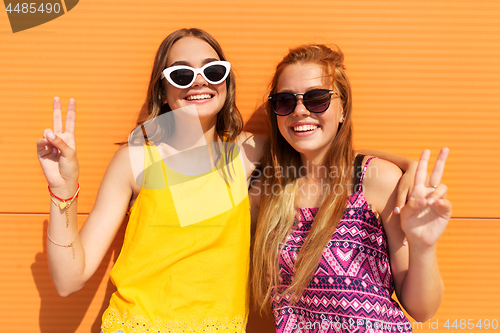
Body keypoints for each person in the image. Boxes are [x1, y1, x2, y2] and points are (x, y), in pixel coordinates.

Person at [37, 28, 417, 333]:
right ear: (163, 90)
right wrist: (63, 189)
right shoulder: (137, 158)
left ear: (225, 80)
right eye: (182, 73)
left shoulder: (252, 155)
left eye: (212, 70)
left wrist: (407, 167)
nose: (199, 81)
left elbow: (321, 139)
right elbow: (70, 278)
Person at [250, 43, 452, 333]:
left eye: (317, 99)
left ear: (343, 108)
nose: (300, 111)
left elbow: (422, 310)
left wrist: (423, 247)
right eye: (284, 101)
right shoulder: (267, 193)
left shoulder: (376, 180)